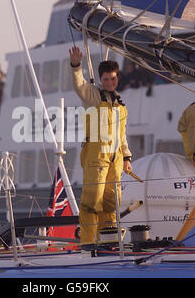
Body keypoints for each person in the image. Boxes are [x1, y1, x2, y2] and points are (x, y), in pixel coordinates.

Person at [69, 46, 132, 248]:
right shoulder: (93, 97)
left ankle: (109, 243)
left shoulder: (121, 105)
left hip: (115, 161)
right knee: (91, 203)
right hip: (96, 158)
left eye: (113, 79)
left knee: (111, 204)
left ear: (117, 78)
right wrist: (76, 65)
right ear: (101, 79)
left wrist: (127, 158)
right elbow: (79, 85)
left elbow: (122, 136)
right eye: (106, 79)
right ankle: (88, 245)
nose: (110, 83)